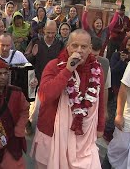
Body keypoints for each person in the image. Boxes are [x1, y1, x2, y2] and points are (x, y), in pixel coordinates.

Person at [31, 29, 105, 169]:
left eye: (84, 47)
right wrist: (67, 70)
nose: (79, 50)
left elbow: (100, 99)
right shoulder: (54, 65)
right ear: (68, 46)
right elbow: (45, 96)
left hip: (82, 138)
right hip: (51, 133)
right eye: (75, 45)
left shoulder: (97, 70)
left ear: (90, 49)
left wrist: (100, 126)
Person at [91, 37, 112, 141]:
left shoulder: (105, 64)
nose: (94, 58)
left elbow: (105, 88)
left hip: (95, 106)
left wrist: (104, 110)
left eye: (96, 55)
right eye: (91, 55)